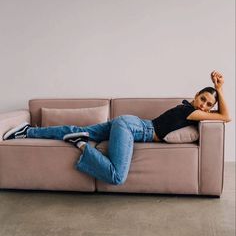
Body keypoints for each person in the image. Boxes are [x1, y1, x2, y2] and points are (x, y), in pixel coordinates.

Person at [3, 70, 231, 185]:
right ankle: (81, 144)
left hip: (128, 123)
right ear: (196, 96)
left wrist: (216, 91)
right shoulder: (189, 109)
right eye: (203, 99)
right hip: (133, 128)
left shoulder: (189, 109)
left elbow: (222, 116)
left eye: (208, 105)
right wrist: (218, 88)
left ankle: (27, 131)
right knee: (117, 177)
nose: (204, 105)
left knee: (74, 126)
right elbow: (226, 116)